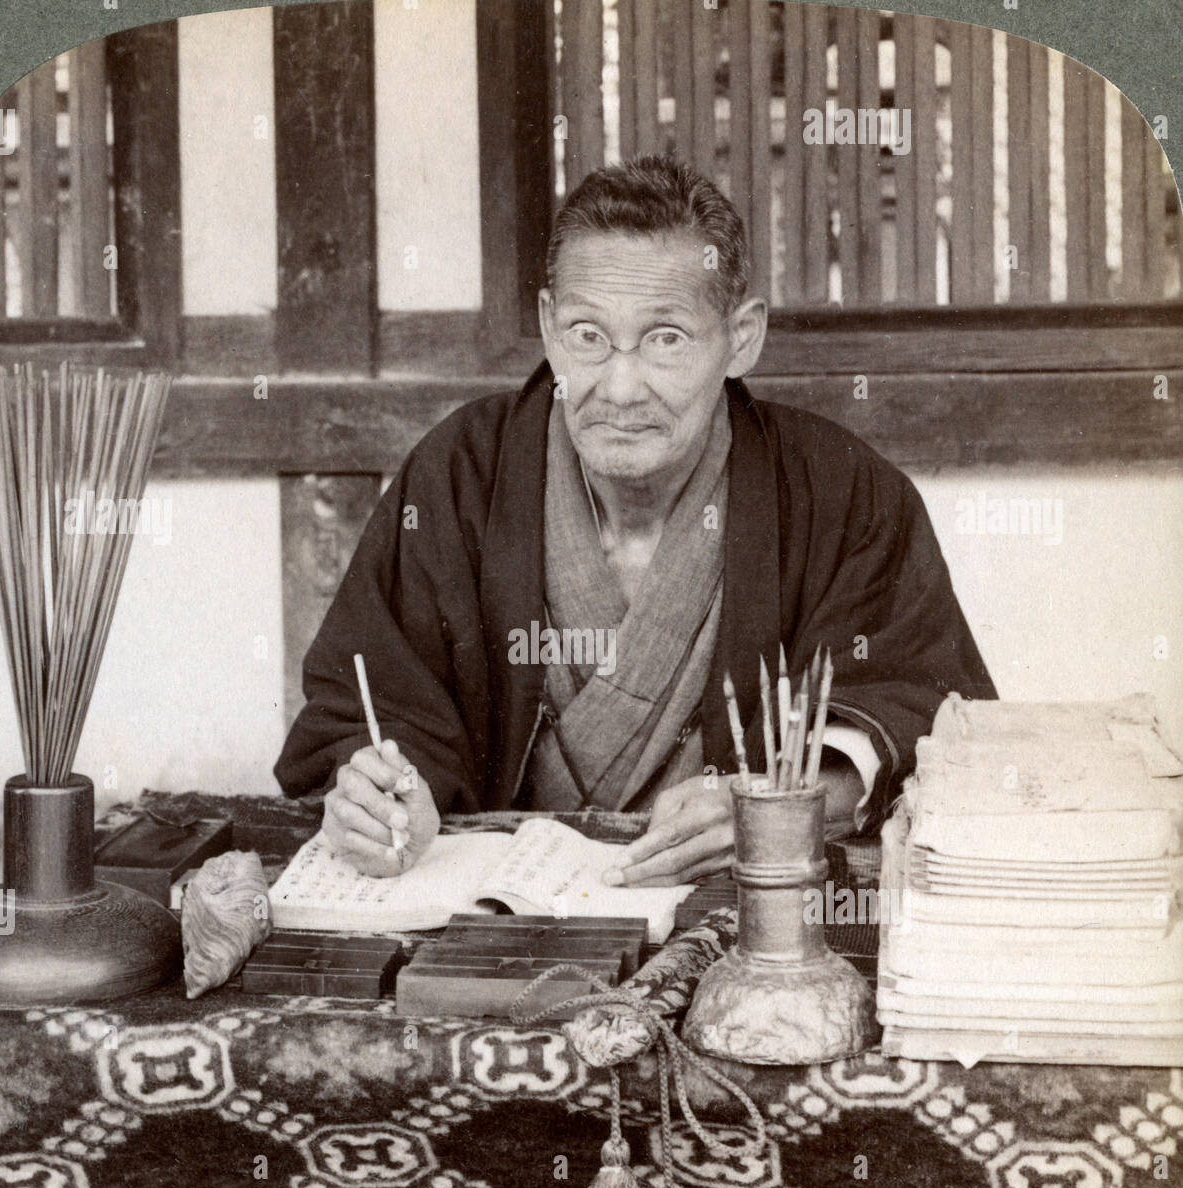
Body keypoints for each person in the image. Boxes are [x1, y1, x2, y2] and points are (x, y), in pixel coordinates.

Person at [275, 156, 995, 886]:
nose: (620, 388)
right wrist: (379, 796)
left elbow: (926, 709)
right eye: (589, 335)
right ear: (548, 326)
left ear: (742, 337)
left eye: (666, 339)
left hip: (742, 920)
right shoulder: (461, 475)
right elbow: (367, 704)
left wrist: (788, 805)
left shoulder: (841, 493)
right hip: (501, 931)